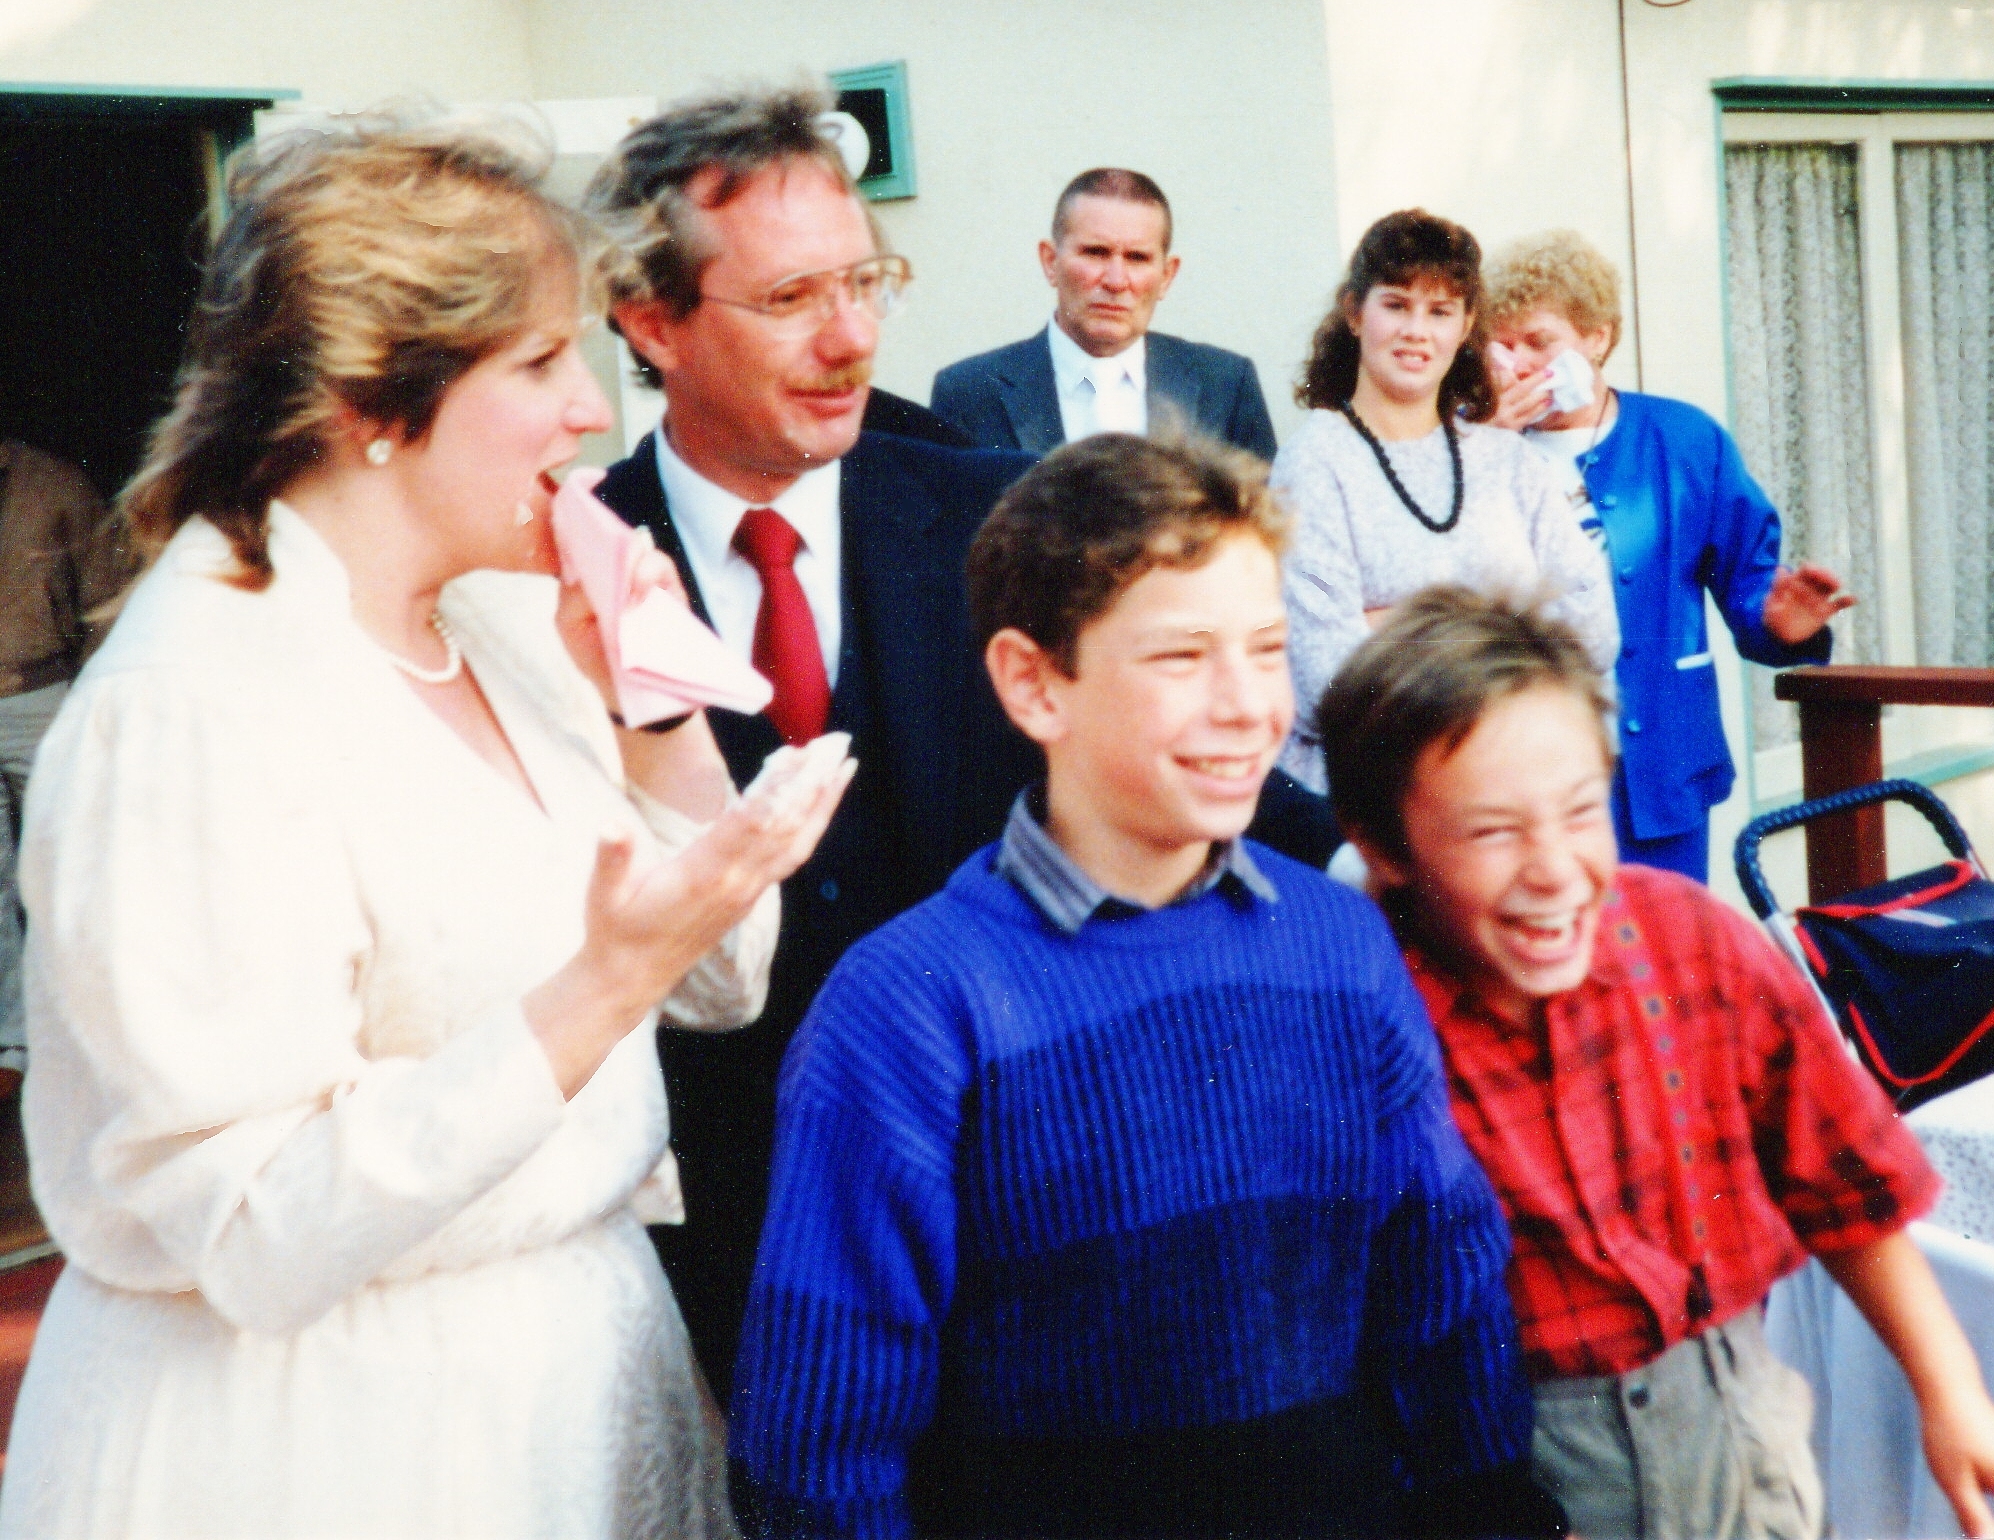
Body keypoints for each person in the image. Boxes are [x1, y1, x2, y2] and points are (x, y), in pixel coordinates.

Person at [0, 119, 847, 1540]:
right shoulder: (193, 707)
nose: (592, 411)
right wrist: (601, 984)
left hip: (571, 1383)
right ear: (370, 403)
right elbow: (255, 1226)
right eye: (540, 363)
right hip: (334, 1444)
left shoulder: (500, 621)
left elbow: (716, 979)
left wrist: (646, 706)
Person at [582, 84, 1339, 1399]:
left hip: (1026, 1215)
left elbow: (1167, 743)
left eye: (865, 283)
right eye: (790, 298)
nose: (851, 338)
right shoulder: (566, 573)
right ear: (650, 321)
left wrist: (1389, 861)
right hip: (725, 1260)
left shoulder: (994, 512)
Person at [729, 435, 1562, 1540]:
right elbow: (820, 1445)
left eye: (1267, 649)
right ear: (1033, 683)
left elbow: (1441, 1302)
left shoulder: (1339, 947)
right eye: (1181, 657)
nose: (1247, 704)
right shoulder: (907, 1011)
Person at [1318, 586, 1994, 1540]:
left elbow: (1848, 1180)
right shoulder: (1363, 1024)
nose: (1554, 867)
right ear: (1382, 846)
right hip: (1517, 1473)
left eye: (1580, 811)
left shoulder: (1693, 941)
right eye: (1493, 830)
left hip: (1737, 1424)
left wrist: (1949, 1385)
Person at [1485, 230, 1853, 882]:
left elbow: (1750, 585)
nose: (1517, 365)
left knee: (1662, 938)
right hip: (1522, 770)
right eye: (1502, 345)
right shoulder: (1471, 450)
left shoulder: (1682, 439)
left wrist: (1780, 624)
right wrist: (1483, 448)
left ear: (1596, 337)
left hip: (1657, 770)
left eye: (1538, 341)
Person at [1273, 209, 1617, 794]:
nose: (1417, 331)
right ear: (1355, 313)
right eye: (1396, 305)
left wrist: (1390, 623)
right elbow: (1323, 684)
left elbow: (1595, 632)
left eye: (1440, 311)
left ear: (1466, 325)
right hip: (1382, 798)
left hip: (1511, 783)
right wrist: (1509, 622)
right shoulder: (1313, 464)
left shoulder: (1507, 459)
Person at [930, 168, 1278, 459]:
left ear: (1167, 276)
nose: (1115, 281)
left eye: (1137, 258)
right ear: (1050, 262)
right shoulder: (969, 393)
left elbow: (1262, 516)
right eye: (1096, 252)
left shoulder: (1226, 386)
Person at [0, 439, 131, 1088]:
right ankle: (12, 1045)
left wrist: (93, 702)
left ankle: (93, 1030)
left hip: (43, 693)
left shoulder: (53, 485)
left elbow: (107, 597)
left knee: (69, 862)